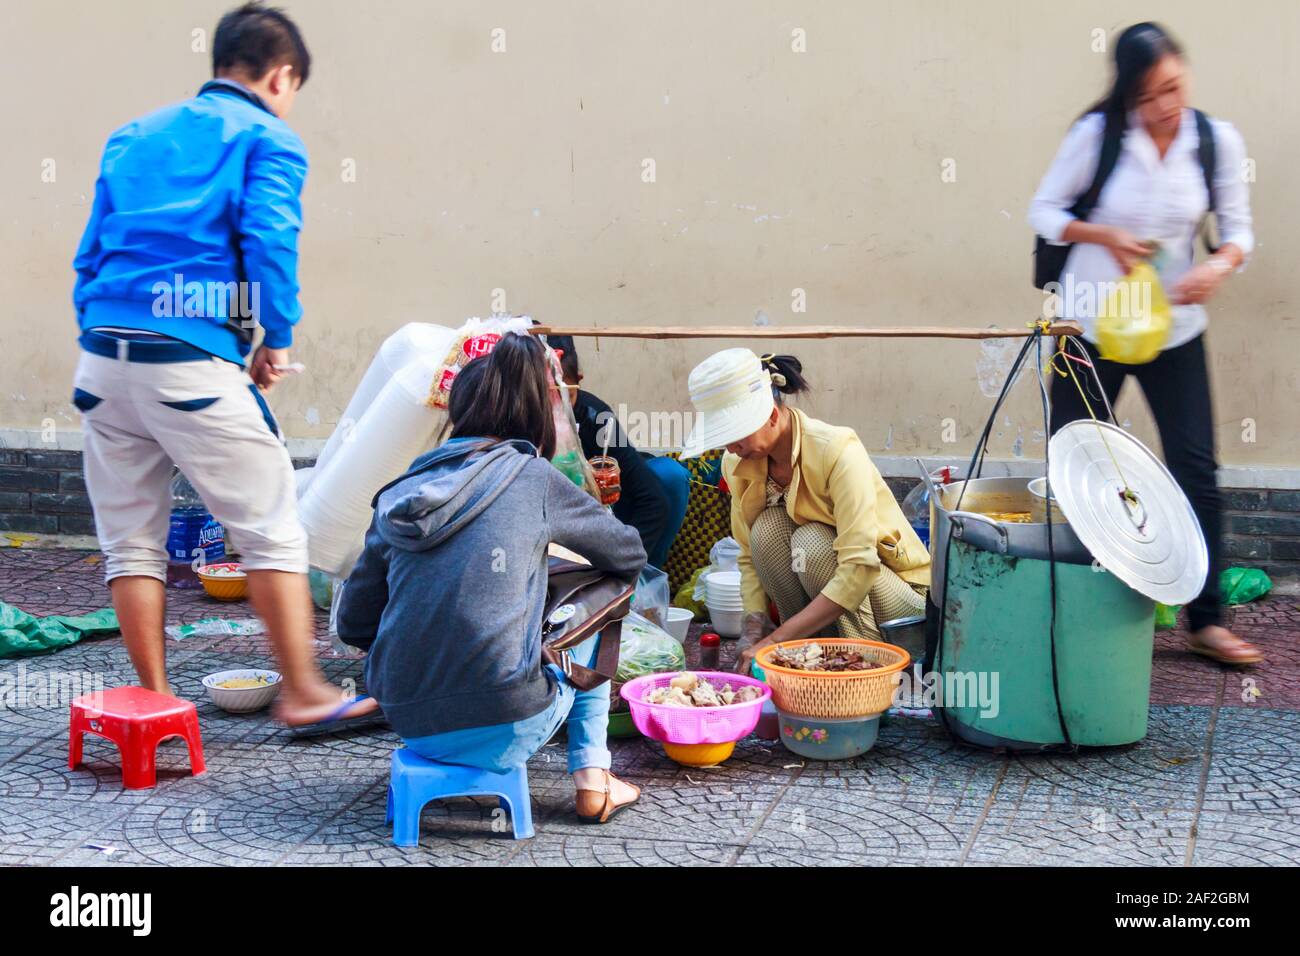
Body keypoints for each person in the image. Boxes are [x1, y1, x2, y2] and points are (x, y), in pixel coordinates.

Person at [69, 3, 374, 727]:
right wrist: (276, 339)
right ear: (282, 75)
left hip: (101, 362)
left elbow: (89, 257)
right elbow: (269, 243)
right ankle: (304, 692)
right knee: (272, 528)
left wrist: (112, 332)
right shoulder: (269, 136)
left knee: (131, 545)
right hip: (187, 367)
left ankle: (153, 700)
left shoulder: (133, 134)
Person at [335, 334, 646, 823]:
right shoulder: (533, 477)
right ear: (529, 416)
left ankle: (470, 760)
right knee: (609, 593)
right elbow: (628, 553)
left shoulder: (398, 494)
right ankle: (592, 777)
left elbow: (353, 623)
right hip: (509, 720)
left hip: (408, 718)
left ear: (455, 415)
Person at [1029, 22, 1259, 665]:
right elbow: (1044, 210)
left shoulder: (1214, 141)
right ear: (1129, 92)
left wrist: (1219, 265)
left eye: (1174, 88)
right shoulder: (1096, 137)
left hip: (1173, 329)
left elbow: (1238, 230)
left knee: (1196, 467)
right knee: (1077, 464)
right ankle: (1074, 605)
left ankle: (1207, 619)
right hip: (1088, 327)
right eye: (1151, 94)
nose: (1166, 105)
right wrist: (1102, 235)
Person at [676, 349, 930, 674]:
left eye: (735, 435)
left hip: (900, 608)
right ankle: (807, 660)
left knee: (812, 543)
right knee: (765, 532)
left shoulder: (837, 449)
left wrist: (774, 642)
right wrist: (755, 626)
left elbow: (859, 567)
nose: (730, 448)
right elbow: (747, 555)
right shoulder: (736, 463)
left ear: (770, 416)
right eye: (723, 439)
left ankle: (862, 666)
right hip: (829, 605)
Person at [545, 334, 690, 569]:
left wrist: (626, 568)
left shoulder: (597, 417)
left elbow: (653, 501)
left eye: (566, 397)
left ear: (578, 382)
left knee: (669, 476)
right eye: (546, 397)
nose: (556, 408)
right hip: (550, 540)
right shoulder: (515, 426)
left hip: (600, 534)